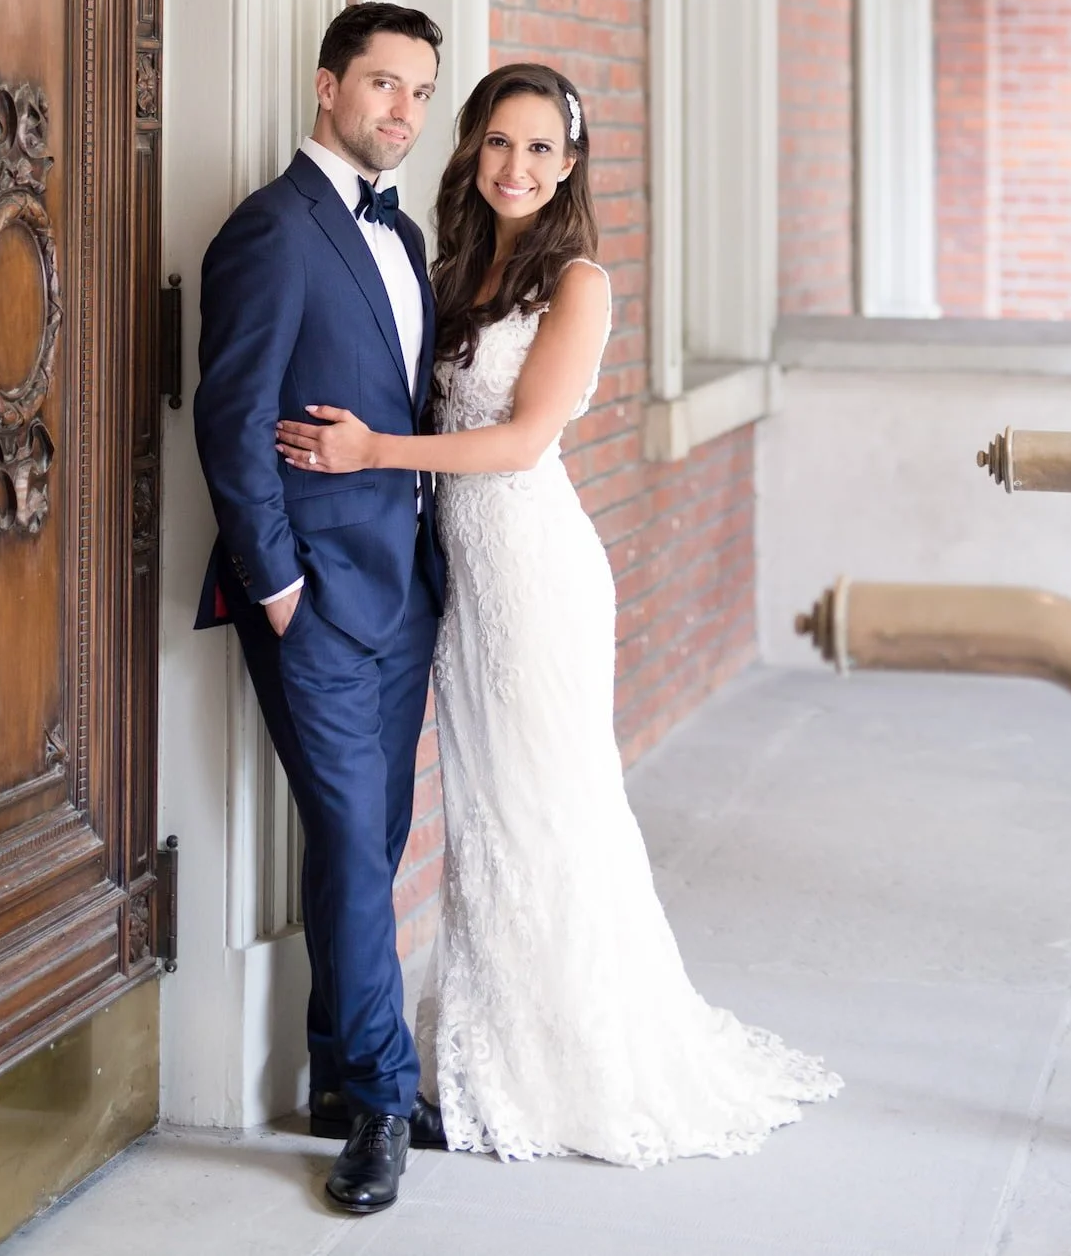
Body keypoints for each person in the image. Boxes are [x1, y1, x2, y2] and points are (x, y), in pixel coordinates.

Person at [279, 61, 841, 1165]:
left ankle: (577, 1062)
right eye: (497, 142)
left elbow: (521, 439)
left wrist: (372, 449)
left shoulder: (575, 281)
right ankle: (496, 1041)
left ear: (570, 163)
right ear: (470, 149)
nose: (515, 165)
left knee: (551, 809)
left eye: (540, 148)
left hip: (534, 571)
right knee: (488, 812)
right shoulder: (458, 265)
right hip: (465, 584)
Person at [193, 2, 449, 1215]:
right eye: (381, 84)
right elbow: (229, 417)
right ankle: (383, 1106)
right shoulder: (273, 229)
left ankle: (343, 1076)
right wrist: (280, 585)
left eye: (417, 92)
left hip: (402, 592)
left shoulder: (405, 237)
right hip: (317, 599)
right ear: (325, 85)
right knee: (352, 839)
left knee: (371, 838)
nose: (400, 110)